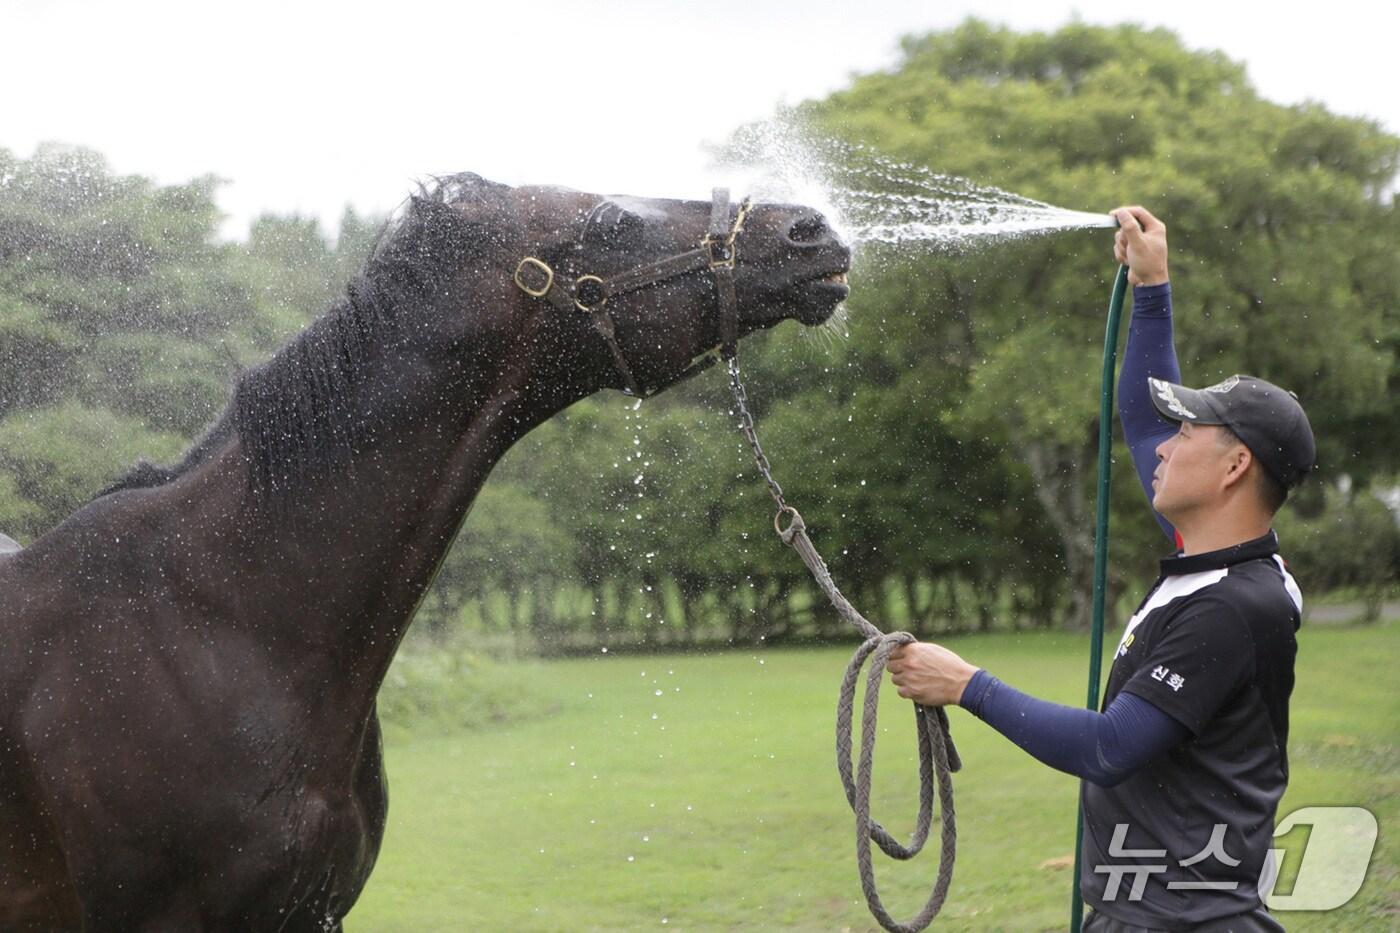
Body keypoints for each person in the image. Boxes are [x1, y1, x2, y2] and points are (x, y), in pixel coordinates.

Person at [887, 206, 1315, 932]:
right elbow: (1143, 421)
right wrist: (1152, 288)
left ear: (1236, 466)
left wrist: (966, 685)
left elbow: (1111, 746)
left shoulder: (1234, 608)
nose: (1162, 448)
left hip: (1184, 920)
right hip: (1144, 911)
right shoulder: (1207, 561)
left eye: (1189, 434)